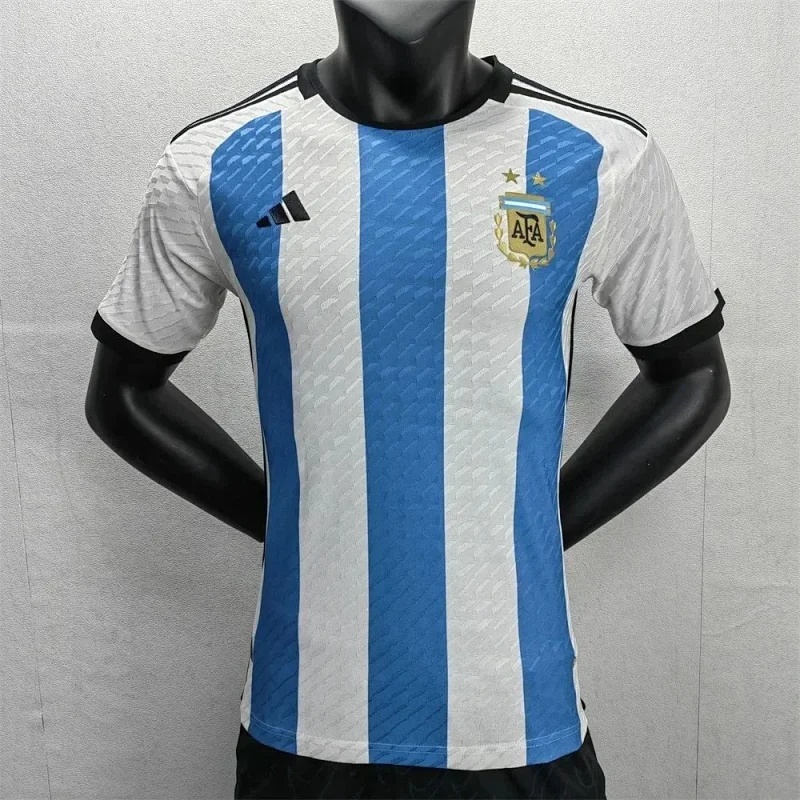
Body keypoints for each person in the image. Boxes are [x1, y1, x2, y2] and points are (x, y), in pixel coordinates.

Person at [85, 2, 730, 797]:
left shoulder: (597, 155)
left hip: (518, 719)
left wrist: (523, 530)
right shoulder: (217, 159)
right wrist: (297, 525)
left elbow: (694, 376)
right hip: (306, 720)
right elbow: (122, 395)